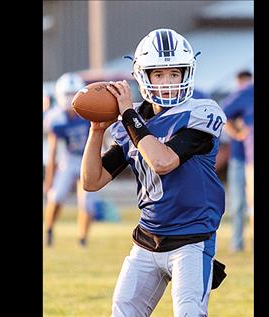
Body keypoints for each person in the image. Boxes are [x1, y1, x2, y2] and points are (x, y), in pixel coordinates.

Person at [81, 28, 227, 317]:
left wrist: (128, 117)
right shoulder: (132, 121)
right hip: (147, 240)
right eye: (158, 74)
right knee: (122, 313)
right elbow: (91, 181)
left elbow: (163, 161)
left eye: (175, 74)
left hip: (191, 239)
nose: (168, 83)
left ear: (187, 74)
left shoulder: (200, 112)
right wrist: (96, 131)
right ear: (142, 76)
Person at [43, 72, 104, 247]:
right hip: (69, 159)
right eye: (67, 94)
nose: (70, 99)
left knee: (88, 203)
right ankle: (48, 228)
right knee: (57, 195)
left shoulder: (90, 113)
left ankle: (83, 239)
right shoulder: (56, 118)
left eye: (73, 94)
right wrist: (49, 179)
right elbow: (53, 151)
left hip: (88, 158)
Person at [221, 70, 254, 247]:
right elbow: (222, 113)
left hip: (249, 157)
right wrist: (237, 133)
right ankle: (237, 242)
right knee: (239, 203)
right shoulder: (243, 95)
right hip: (240, 157)